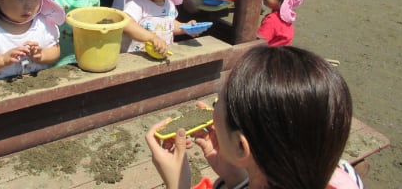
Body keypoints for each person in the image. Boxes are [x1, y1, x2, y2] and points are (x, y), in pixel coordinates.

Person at [146, 45, 359, 189]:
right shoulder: (341, 175)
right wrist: (237, 177)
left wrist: (178, 185)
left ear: (241, 146)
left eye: (216, 103)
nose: (211, 111)